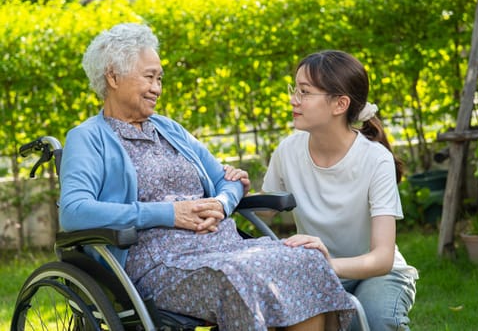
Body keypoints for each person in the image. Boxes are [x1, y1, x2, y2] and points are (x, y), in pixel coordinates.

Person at [58, 23, 354, 331]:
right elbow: (74, 212)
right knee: (239, 276)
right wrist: (170, 214)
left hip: (223, 245)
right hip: (157, 262)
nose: (157, 88)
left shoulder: (169, 130)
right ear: (113, 77)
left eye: (160, 78)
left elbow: (227, 179)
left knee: (305, 260)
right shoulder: (88, 138)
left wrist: (222, 203)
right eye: (149, 77)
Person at [258, 50, 418, 330]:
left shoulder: (375, 159)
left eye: (305, 92)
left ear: (339, 104)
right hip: (316, 271)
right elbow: (264, 212)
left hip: (377, 273)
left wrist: (329, 264)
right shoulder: (288, 150)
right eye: (294, 89)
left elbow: (382, 258)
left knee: (372, 320)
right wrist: (234, 188)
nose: (293, 99)